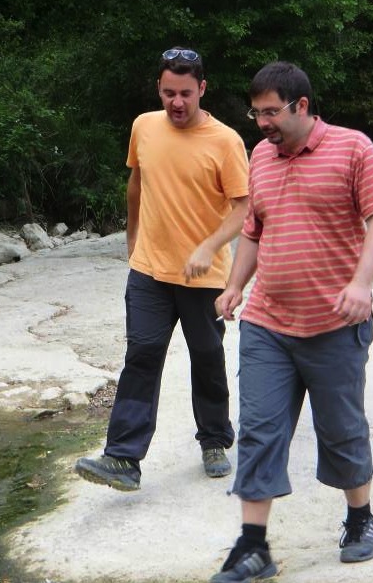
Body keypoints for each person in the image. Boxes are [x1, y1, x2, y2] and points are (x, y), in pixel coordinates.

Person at [209, 61, 373, 583]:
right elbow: (254, 230)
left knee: (340, 429)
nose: (262, 123)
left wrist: (361, 284)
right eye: (256, 113)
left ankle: (360, 519)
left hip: (334, 323)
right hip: (267, 323)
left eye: (271, 112)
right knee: (259, 430)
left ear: (301, 105)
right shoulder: (260, 156)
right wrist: (235, 285)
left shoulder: (353, 148)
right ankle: (253, 546)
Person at [75, 47, 249, 491]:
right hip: (149, 272)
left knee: (206, 357)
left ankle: (214, 440)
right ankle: (123, 457)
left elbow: (243, 208)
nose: (177, 102)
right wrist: (133, 238)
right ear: (159, 88)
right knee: (142, 355)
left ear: (202, 89)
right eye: (169, 93)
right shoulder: (144, 127)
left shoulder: (226, 141)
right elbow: (137, 182)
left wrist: (210, 246)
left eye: (186, 93)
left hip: (202, 277)